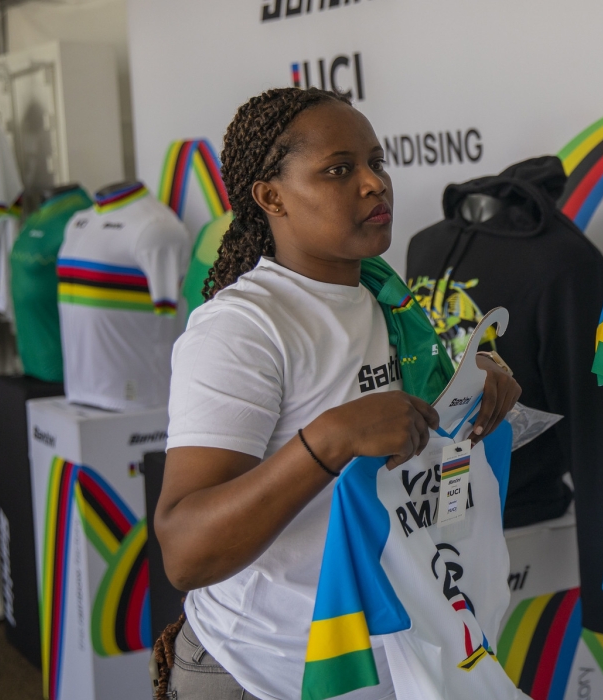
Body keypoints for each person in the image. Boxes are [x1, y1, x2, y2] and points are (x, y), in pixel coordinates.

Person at [153, 87, 521, 700]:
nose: (374, 184)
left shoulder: (386, 297)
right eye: (339, 170)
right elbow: (186, 552)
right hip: (261, 671)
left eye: (376, 162)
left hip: (377, 662)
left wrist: (479, 377)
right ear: (271, 197)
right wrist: (329, 439)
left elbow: (413, 417)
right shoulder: (243, 329)